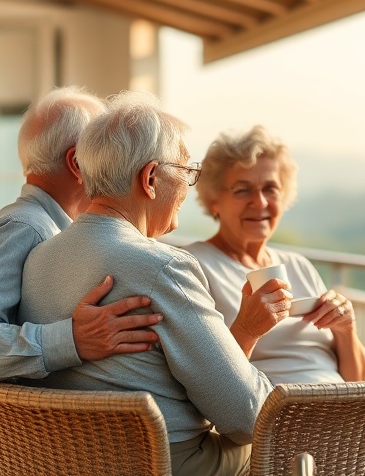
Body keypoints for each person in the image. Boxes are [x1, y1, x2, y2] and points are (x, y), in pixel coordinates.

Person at [19, 92, 271, 476]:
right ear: (150, 178)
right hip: (161, 462)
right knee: (280, 445)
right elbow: (246, 415)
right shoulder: (163, 267)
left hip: (60, 460)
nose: (188, 186)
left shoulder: (36, 260)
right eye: (186, 171)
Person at [0, 86, 162, 381]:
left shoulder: (45, 226)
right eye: (105, 148)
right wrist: (73, 340)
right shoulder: (25, 228)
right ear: (77, 162)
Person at [184, 125, 365, 385]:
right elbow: (207, 383)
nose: (260, 202)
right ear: (213, 199)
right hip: (277, 408)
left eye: (270, 189)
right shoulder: (192, 266)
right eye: (243, 190)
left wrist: (346, 329)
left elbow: (357, 380)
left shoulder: (299, 266)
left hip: (342, 404)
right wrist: (247, 329)